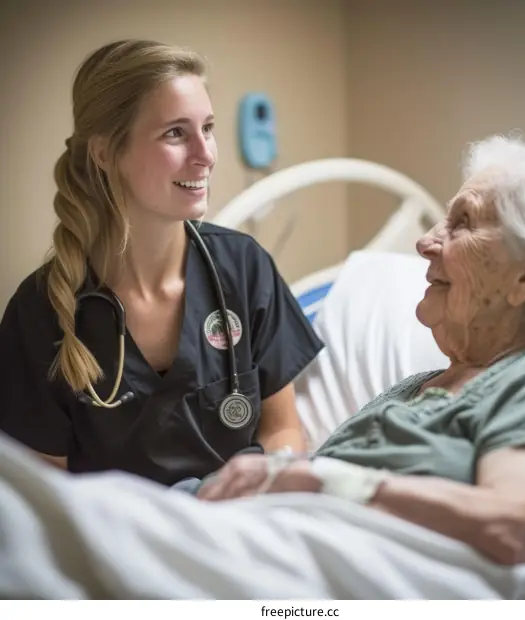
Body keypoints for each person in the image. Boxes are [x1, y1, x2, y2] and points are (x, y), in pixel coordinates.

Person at [185, 134, 525, 568]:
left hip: (272, 565)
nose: (425, 242)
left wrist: (316, 481)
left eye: (463, 222)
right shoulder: (412, 389)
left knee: (106, 513)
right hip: (221, 530)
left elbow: (515, 527)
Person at [0, 39, 323, 487]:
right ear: (104, 152)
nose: (206, 154)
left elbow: (282, 429)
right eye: (175, 133)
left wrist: (262, 491)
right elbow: (44, 493)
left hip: (243, 527)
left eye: (207, 128)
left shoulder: (243, 268)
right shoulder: (41, 312)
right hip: (125, 542)